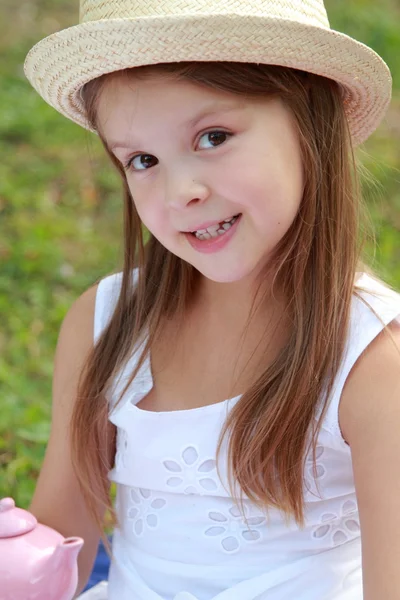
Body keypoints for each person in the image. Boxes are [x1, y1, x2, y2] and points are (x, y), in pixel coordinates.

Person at [22, 1, 400, 599]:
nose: (181, 192)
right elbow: (55, 554)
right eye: (142, 160)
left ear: (311, 122)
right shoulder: (107, 324)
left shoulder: (374, 361)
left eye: (213, 137)